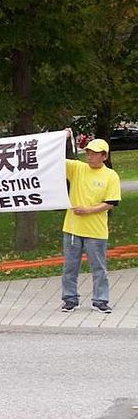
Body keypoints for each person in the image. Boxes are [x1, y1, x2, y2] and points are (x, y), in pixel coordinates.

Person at [60, 132, 121, 313]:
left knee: (99, 268)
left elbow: (111, 203)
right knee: (70, 266)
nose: (90, 156)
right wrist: (63, 139)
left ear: (104, 156)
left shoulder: (110, 176)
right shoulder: (77, 168)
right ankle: (70, 299)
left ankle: (100, 300)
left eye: (95, 153)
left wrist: (88, 210)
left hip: (96, 230)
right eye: (88, 152)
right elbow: (55, 160)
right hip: (72, 228)